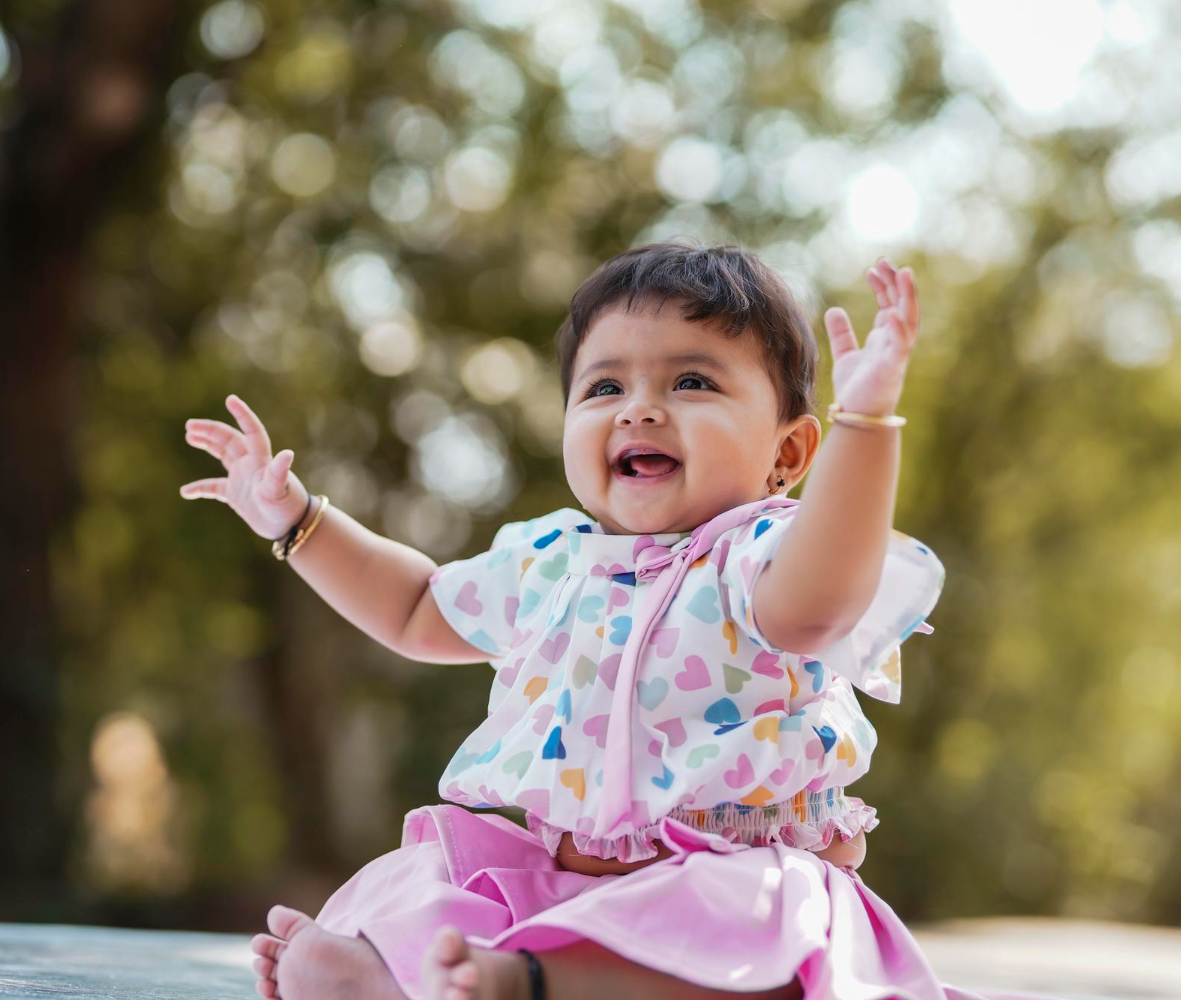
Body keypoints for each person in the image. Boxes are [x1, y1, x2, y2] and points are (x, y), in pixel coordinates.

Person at [182, 243, 1046, 1000]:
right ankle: (393, 975)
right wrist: (298, 521)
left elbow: (821, 605)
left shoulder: (758, 557)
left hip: (718, 882)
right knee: (426, 877)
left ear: (787, 454)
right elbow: (413, 607)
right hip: (556, 884)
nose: (639, 407)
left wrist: (866, 423)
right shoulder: (547, 561)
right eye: (605, 386)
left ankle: (534, 985)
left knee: (762, 928)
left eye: (693, 381)